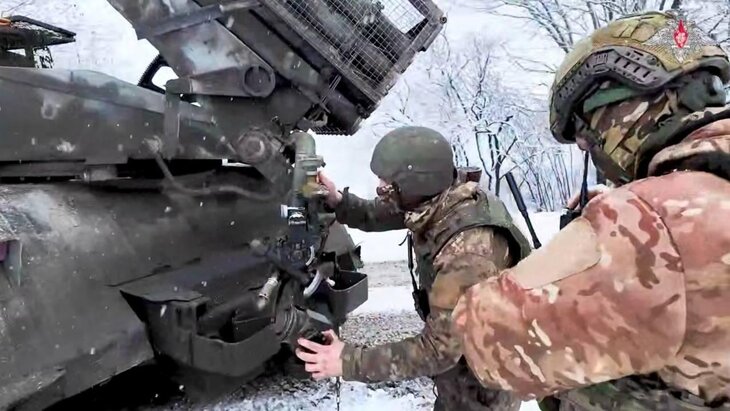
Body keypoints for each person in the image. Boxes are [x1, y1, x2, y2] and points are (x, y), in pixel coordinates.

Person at [451, 10, 730, 410]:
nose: (585, 145)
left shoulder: (642, 219)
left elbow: (486, 340)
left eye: (586, 125)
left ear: (642, 100)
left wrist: (596, 233)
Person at [294, 125, 532, 410]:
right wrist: (339, 201)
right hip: (464, 363)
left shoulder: (467, 255)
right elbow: (378, 213)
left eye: (387, 186)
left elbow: (438, 350)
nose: (380, 190)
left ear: (414, 186)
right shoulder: (442, 198)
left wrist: (347, 361)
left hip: (484, 384)